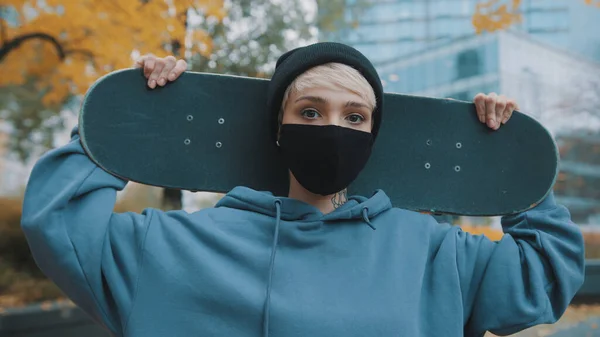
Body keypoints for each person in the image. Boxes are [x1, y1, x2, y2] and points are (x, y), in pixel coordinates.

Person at [21, 42, 584, 337]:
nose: (333, 130)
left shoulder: (432, 252)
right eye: (310, 111)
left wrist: (511, 164)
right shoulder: (169, 247)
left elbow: (543, 277)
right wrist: (129, 123)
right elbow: (60, 223)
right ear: (278, 128)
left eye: (355, 116)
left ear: (373, 134)